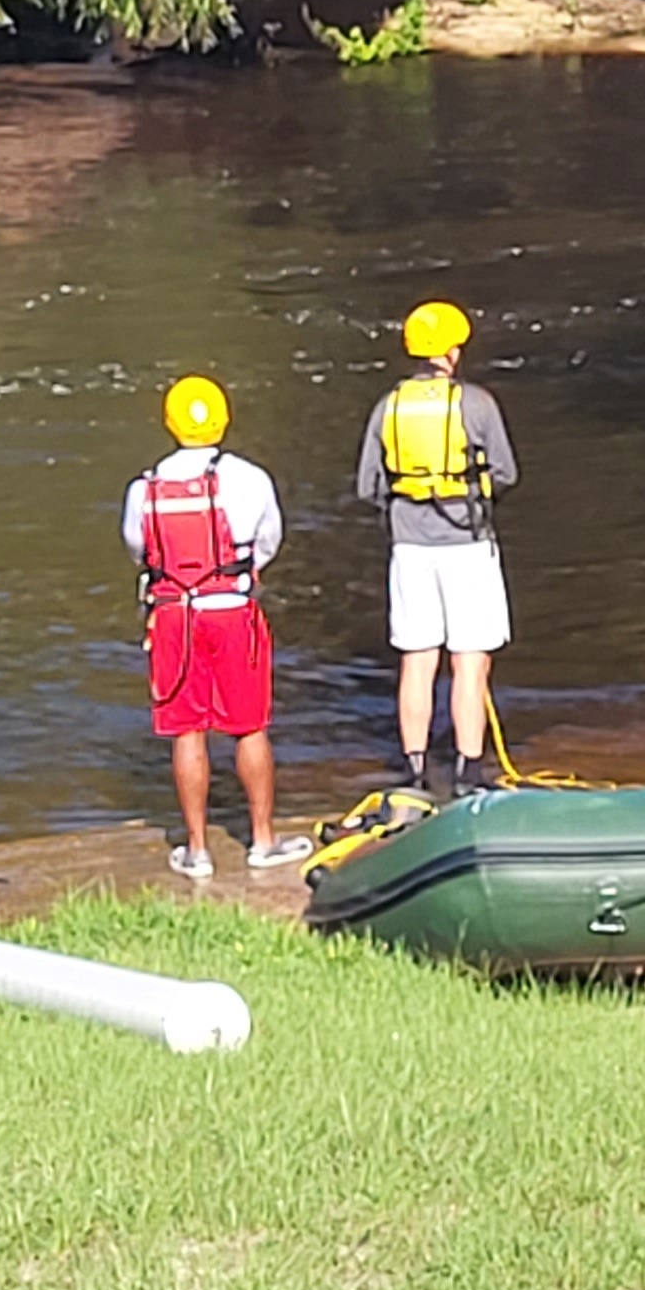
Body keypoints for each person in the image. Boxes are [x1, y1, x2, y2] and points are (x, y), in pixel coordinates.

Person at [124, 373, 310, 880]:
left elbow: (139, 548)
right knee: (249, 725)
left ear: (169, 422)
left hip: (173, 620)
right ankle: (263, 841)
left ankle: (197, 850)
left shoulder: (145, 488)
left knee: (187, 729)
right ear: (225, 419)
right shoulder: (251, 479)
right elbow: (270, 541)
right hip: (233, 613)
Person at [354, 299, 521, 792]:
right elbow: (507, 473)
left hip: (409, 548)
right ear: (451, 350)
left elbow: (369, 486)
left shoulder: (388, 407)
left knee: (417, 659)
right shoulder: (478, 404)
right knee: (470, 662)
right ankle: (470, 771)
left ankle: (415, 770)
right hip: (468, 544)